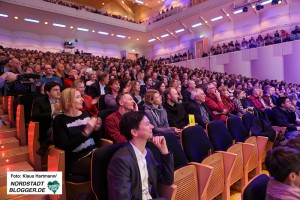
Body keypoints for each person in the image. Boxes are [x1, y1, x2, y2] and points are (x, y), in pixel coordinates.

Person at [107, 111, 174, 200]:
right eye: (147, 124)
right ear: (134, 132)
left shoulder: (148, 153)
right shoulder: (121, 161)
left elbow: (168, 180)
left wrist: (164, 152)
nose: (152, 126)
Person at [52, 88, 101, 179]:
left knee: (116, 157)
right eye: (78, 97)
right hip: (76, 159)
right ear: (69, 101)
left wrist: (96, 130)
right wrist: (85, 133)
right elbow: (65, 147)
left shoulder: (85, 114)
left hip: (93, 152)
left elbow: (96, 141)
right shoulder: (59, 120)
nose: (82, 99)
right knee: (101, 166)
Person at [31, 82, 61, 156]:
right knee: (57, 128)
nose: (58, 92)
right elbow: (35, 116)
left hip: (63, 124)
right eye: (55, 90)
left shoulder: (63, 100)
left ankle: (45, 144)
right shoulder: (39, 101)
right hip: (48, 127)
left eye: (59, 90)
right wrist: (52, 113)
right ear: (48, 92)